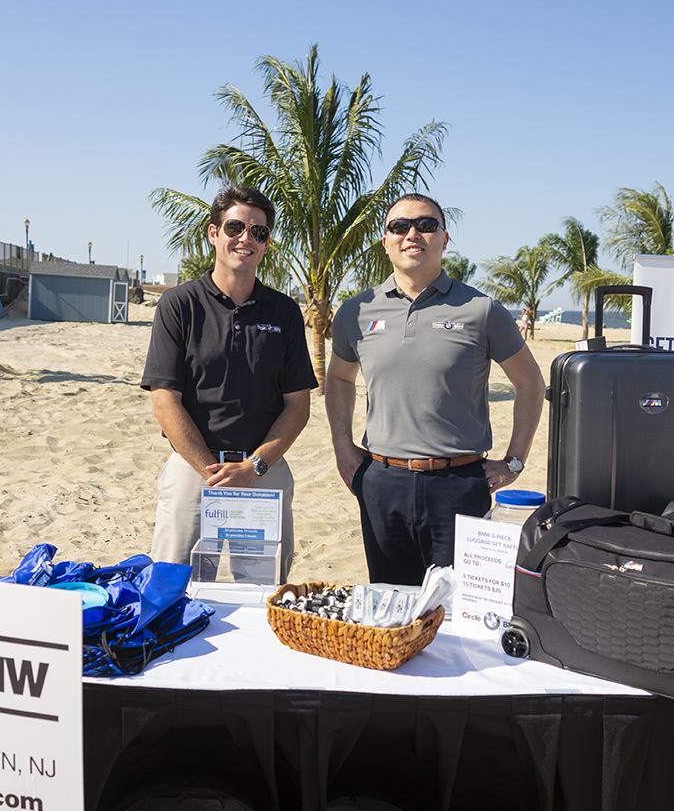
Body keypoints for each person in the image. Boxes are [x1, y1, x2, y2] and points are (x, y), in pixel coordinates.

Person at [326, 193, 546, 586]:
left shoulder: (482, 310)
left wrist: (514, 461)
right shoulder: (356, 312)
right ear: (386, 241)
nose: (412, 234)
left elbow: (530, 382)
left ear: (444, 239)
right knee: (391, 603)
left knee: (456, 606)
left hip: (459, 485)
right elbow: (340, 378)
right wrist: (342, 444)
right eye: (400, 226)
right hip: (381, 483)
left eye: (426, 225)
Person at [141, 186, 318, 583]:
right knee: (174, 590)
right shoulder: (179, 304)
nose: (246, 239)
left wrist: (253, 466)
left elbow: (298, 406)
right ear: (213, 233)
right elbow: (164, 401)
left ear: (267, 243)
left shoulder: (285, 312)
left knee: (262, 594)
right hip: (194, 470)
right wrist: (212, 471)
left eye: (259, 232)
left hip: (263, 472)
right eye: (235, 227)